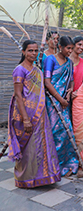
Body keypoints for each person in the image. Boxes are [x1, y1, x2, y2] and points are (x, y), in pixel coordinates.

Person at [8, 40, 61, 188]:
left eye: (36, 51)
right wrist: (25, 119)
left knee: (41, 145)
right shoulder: (20, 70)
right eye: (30, 50)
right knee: (28, 147)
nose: (33, 53)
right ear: (23, 52)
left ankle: (43, 176)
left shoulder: (37, 70)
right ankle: (26, 179)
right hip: (25, 113)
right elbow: (18, 95)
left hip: (40, 113)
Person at [44, 36, 79, 176]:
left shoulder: (69, 63)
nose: (70, 51)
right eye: (68, 48)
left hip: (65, 101)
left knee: (66, 130)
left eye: (72, 48)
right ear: (60, 47)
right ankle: (52, 165)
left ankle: (67, 163)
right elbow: (47, 82)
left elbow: (71, 80)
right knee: (54, 131)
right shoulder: (50, 60)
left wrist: (70, 91)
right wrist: (60, 100)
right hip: (52, 101)